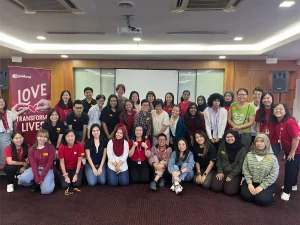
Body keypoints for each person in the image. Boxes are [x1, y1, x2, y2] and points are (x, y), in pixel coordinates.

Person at [271, 103, 300, 201]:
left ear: (285, 111)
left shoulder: (290, 122)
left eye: (280, 109)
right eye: (276, 109)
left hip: (296, 150)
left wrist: (292, 152)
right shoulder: (279, 122)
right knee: (294, 168)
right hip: (289, 149)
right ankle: (293, 185)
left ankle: (287, 192)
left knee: (289, 169)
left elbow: (296, 138)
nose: (278, 110)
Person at [241, 134, 279, 206]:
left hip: (265, 183)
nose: (259, 143)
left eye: (262, 141)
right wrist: (249, 183)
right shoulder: (249, 155)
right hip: (251, 182)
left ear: (266, 143)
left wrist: (262, 186)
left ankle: (270, 192)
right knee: (246, 197)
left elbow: (274, 173)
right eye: (257, 141)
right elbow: (245, 169)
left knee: (262, 200)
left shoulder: (272, 157)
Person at [18, 129, 55, 195]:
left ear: (47, 138)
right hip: (35, 169)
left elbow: (50, 163)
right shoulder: (31, 149)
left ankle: (47, 181)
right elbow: (33, 164)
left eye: (45, 137)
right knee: (22, 180)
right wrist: (36, 177)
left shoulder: (51, 147)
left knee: (45, 191)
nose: (42, 138)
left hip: (47, 169)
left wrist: (42, 176)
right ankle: (35, 182)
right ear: (37, 137)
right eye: (40, 136)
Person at [211, 130, 247, 195]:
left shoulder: (242, 148)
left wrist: (231, 175)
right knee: (215, 187)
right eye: (227, 137)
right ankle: (224, 183)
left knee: (229, 191)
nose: (229, 138)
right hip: (222, 171)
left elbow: (240, 165)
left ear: (235, 137)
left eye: (231, 136)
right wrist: (220, 171)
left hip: (234, 173)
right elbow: (218, 158)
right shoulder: (222, 145)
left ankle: (234, 183)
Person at [58, 129, 84, 195]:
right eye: (68, 136)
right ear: (65, 137)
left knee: (77, 184)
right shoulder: (61, 147)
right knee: (65, 185)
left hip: (76, 167)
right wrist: (66, 176)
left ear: (75, 136)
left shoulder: (80, 145)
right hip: (66, 167)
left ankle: (75, 175)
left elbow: (79, 161)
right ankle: (64, 176)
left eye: (72, 136)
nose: (70, 138)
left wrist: (76, 174)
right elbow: (61, 163)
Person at [0, 96, 14, 170]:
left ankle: (4, 168)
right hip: (1, 134)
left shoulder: (9, 112)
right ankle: (2, 168)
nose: (1, 103)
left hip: (8, 134)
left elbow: (13, 123)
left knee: (6, 152)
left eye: (2, 101)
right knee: (3, 152)